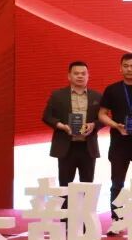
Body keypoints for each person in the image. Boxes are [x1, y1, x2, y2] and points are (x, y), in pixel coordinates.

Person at [97, 54, 132, 231]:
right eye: (126, 66)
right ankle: (117, 220)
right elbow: (102, 114)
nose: (129, 69)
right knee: (117, 183)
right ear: (120, 68)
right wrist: (116, 125)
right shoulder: (112, 89)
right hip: (119, 143)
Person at [42, 61, 102, 189]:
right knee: (65, 188)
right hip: (66, 146)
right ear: (69, 76)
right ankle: (66, 203)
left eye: (83, 73)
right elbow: (47, 117)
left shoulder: (97, 96)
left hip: (88, 147)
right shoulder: (58, 95)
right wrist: (62, 126)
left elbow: (103, 119)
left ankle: (85, 203)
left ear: (88, 76)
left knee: (87, 188)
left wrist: (93, 125)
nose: (80, 76)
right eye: (76, 73)